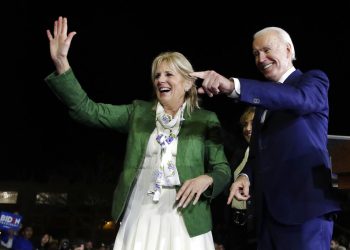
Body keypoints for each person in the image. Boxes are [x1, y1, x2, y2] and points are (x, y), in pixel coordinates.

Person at [45, 16, 231, 250]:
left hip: (187, 215)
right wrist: (62, 62)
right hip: (141, 210)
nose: (160, 79)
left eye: (168, 74)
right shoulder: (138, 113)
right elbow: (88, 110)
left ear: (187, 83)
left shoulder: (206, 119)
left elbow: (223, 169)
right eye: (157, 75)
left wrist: (207, 179)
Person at [191, 26, 341, 249]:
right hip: (266, 217)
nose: (261, 59)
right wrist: (245, 176)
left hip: (304, 212)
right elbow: (259, 152)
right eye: (255, 54)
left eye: (267, 50)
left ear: (288, 50)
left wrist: (233, 86)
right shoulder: (262, 106)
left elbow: (298, 99)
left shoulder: (313, 81)